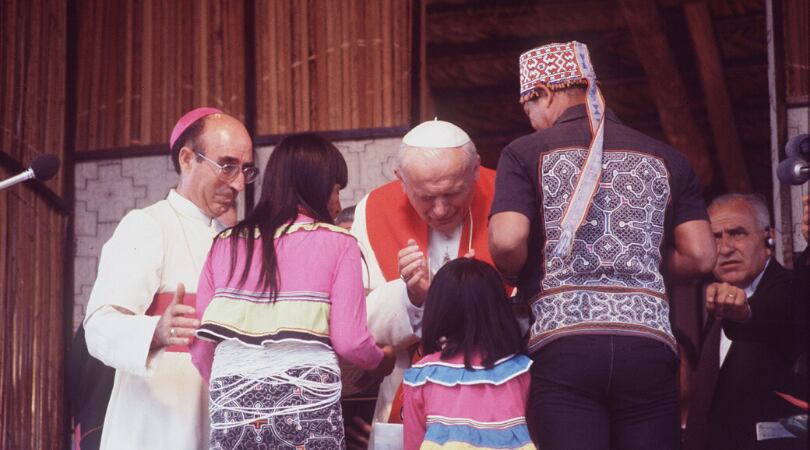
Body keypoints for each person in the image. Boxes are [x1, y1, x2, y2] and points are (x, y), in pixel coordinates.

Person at [488, 41, 716, 450]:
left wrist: (515, 272)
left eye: (529, 108)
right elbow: (700, 255)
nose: (533, 121)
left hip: (565, 345)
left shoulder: (524, 153)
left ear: (544, 92)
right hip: (648, 344)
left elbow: (507, 239)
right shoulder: (667, 158)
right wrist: (638, 261)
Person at [189, 133, 396, 448]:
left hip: (232, 402)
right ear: (316, 186)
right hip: (307, 400)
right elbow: (351, 342)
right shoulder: (339, 242)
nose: (338, 203)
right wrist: (382, 361)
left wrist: (233, 387)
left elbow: (202, 347)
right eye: (336, 189)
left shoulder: (225, 242)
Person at [83, 107, 256, 450]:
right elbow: (99, 327)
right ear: (188, 159)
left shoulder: (234, 242)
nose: (238, 183)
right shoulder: (148, 225)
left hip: (219, 420)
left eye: (246, 170)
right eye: (227, 166)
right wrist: (155, 332)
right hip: (156, 427)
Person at [350, 119, 498, 428]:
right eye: (426, 197)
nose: (441, 210)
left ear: (475, 170)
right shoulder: (373, 209)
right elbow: (360, 322)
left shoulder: (507, 197)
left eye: (454, 193)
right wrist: (411, 297)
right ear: (401, 180)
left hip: (494, 389)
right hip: (406, 393)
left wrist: (476, 293)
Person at [684, 193, 805, 450]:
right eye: (716, 237)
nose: (725, 248)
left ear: (767, 236)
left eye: (737, 233)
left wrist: (744, 314)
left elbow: (771, 317)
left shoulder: (794, 290)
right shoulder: (718, 303)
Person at [402, 258, 534, 450]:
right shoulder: (521, 371)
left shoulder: (421, 377)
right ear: (498, 308)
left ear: (438, 309)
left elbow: (413, 444)